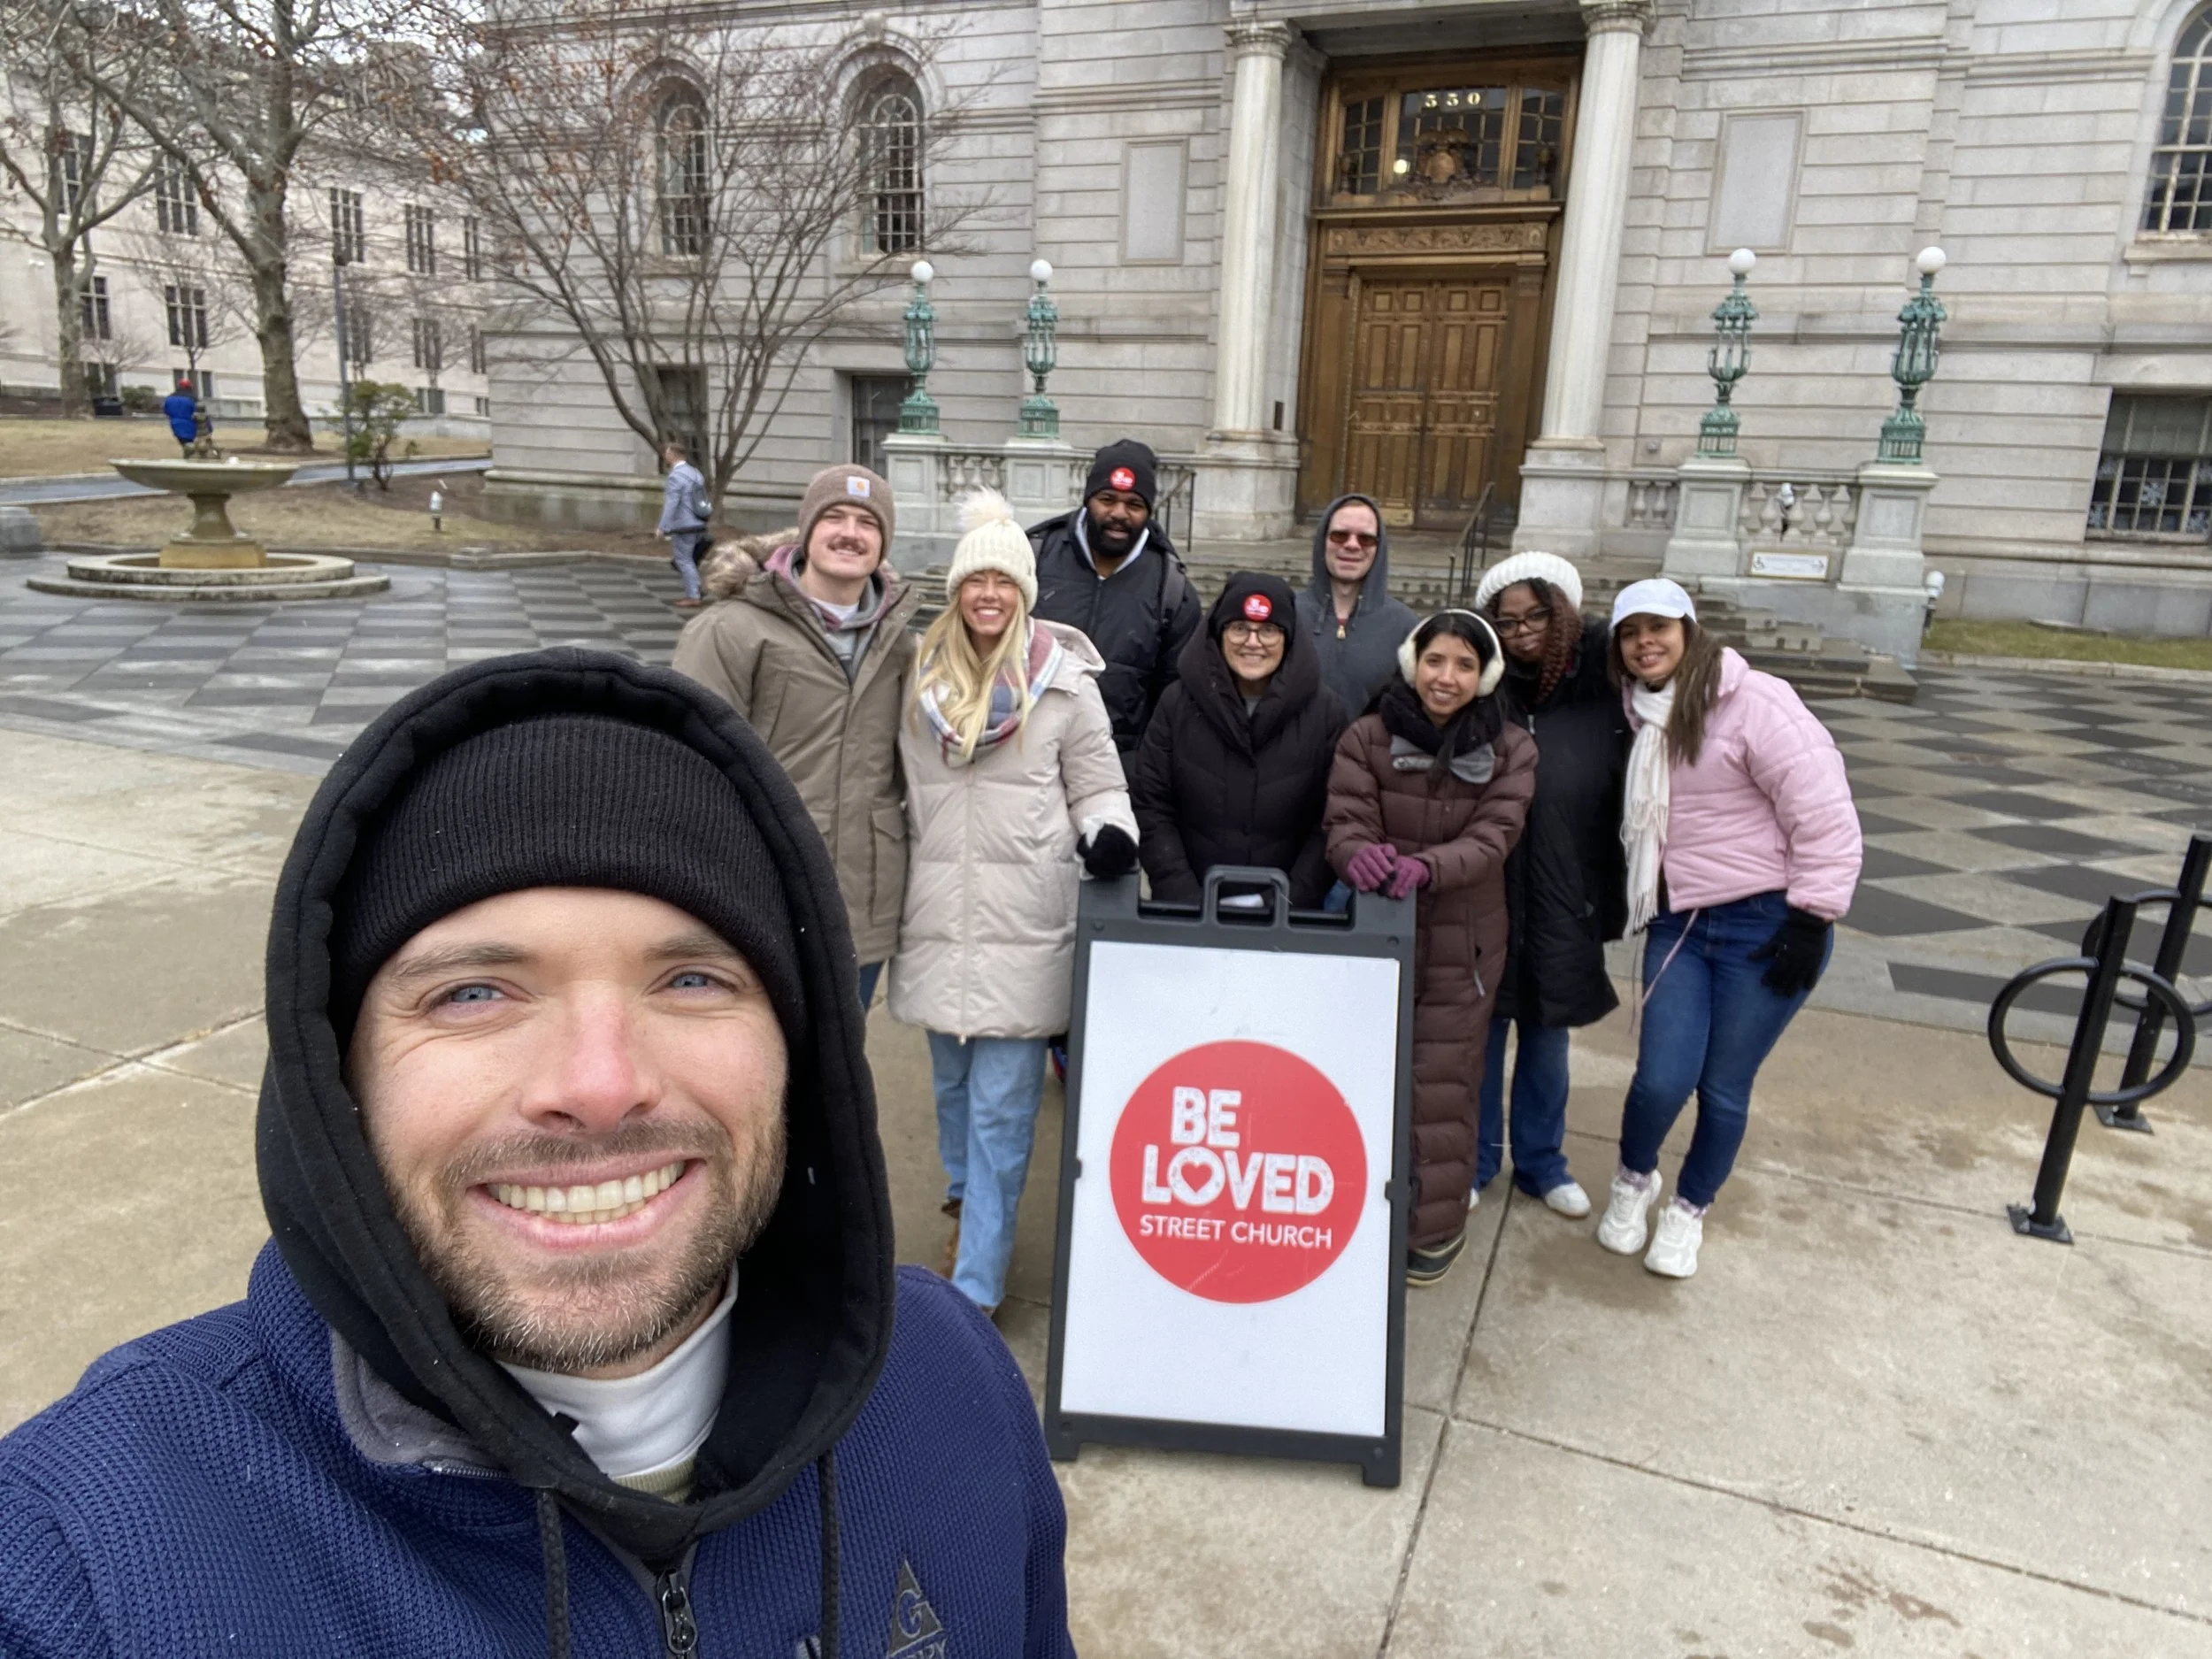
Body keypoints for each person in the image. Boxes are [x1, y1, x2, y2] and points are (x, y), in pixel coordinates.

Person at [0, 650, 1072, 1657]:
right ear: (340, 1077)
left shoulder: (950, 1381)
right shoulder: (83, 1561)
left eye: (691, 980)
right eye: (474, 993)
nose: (599, 1085)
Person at [891, 489, 1138, 1313]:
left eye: (1004, 581)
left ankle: (975, 1288)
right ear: (958, 590)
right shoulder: (920, 683)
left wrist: (1110, 833)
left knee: (1003, 1114)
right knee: (954, 1096)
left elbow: (1100, 785)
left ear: (1025, 592)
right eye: (975, 582)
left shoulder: (1065, 686)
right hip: (939, 921)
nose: (988, 595)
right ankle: (964, 1213)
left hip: (1026, 925)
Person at [1596, 578, 1861, 1279]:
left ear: (1689, 628)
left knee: (1722, 1087)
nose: (1645, 642)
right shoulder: (1638, 709)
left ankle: (1689, 1209)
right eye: (1631, 632)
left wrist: (1814, 914)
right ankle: (1634, 1178)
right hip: (1683, 920)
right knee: (1660, 1079)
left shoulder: (1755, 701)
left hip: (1769, 922)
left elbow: (1824, 809)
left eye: (1659, 627)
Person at [1326, 611, 1536, 1285]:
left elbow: (1495, 833)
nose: (1447, 677)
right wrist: (1356, 854)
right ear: (1414, 662)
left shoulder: (1511, 749)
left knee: (1441, 1086)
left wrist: (1430, 867)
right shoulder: (1366, 736)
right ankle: (1351, 1213)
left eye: (1465, 665)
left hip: (1461, 946)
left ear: (1485, 676)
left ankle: (1431, 1229)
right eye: (1436, 660)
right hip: (1376, 934)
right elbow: (1346, 817)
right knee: (1360, 1080)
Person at [673, 465, 916, 1012]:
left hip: (863, 899)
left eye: (867, 522)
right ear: (806, 531)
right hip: (762, 891)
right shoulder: (732, 630)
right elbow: (686, 766)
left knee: (841, 1064)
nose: (850, 532)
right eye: (834, 517)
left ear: (882, 543)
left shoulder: (901, 647)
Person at [1471, 552, 1631, 1221]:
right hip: (1487, 895)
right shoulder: (1484, 694)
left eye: (1537, 613)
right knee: (1477, 1037)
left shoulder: (1600, 691)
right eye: (1506, 620)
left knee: (1547, 1037)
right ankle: (1475, 1159)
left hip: (1567, 893)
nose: (1522, 630)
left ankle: (1543, 1162)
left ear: (1564, 614)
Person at [1133, 571, 1347, 910]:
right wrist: (1181, 893)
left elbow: (1332, 817)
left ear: (1289, 638)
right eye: (1239, 628)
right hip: (1188, 910)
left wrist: (1291, 898)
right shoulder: (1177, 703)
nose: (1253, 642)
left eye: (1269, 630)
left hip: (1291, 920)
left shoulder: (1325, 713)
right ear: (1218, 634)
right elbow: (1151, 804)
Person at [1030, 438, 1203, 774]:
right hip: (1027, 758)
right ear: (1087, 499)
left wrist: (1140, 767)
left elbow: (1175, 701)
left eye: (1134, 504)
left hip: (1117, 768)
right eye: (1107, 499)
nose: (1119, 514)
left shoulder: (1172, 590)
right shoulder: (1034, 558)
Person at [1296, 494, 1419, 719]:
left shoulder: (1405, 626)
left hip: (1366, 753)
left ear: (1378, 549)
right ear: (1323, 541)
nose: (1352, 545)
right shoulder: (1288, 614)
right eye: (1340, 535)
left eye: (1366, 539)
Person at [657, 439, 713, 609]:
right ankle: (696, 588)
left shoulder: (676, 476)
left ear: (672, 455)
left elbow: (672, 503)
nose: (665, 456)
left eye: (667, 453)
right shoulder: (695, 473)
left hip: (683, 524)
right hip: (698, 521)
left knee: (684, 560)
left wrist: (662, 527)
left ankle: (693, 595)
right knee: (688, 560)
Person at [163, 380, 200, 457]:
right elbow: (199, 412)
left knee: (185, 444)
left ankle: (188, 458)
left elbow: (166, 411)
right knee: (190, 445)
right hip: (190, 425)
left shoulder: (170, 398)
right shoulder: (192, 398)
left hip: (175, 424)